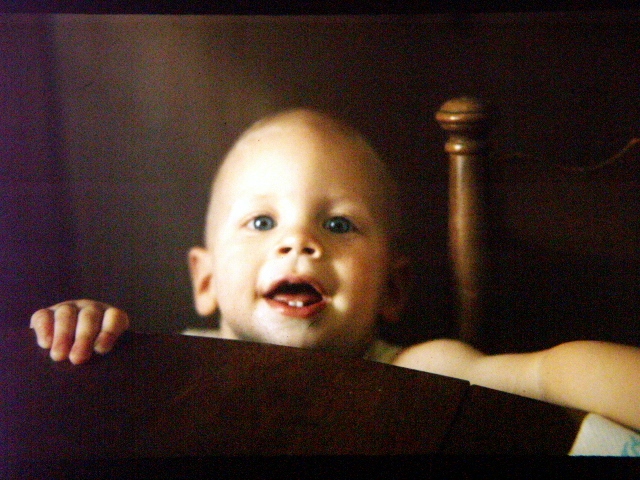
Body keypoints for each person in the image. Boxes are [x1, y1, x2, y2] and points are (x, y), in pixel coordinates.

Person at [30, 108, 640, 433]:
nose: (299, 241)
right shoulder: (165, 366)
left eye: (339, 224)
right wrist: (84, 336)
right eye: (262, 222)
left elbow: (551, 375)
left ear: (393, 289)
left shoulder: (417, 372)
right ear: (205, 280)